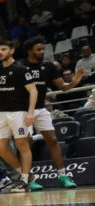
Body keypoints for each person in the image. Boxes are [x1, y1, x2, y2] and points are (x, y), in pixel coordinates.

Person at [24, 37, 85, 189]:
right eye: (39, 49)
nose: (42, 51)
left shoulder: (48, 66)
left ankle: (62, 176)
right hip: (22, 111)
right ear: (29, 51)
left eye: (43, 49)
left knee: (53, 140)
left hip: (41, 109)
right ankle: (28, 180)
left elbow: (63, 87)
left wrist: (75, 81)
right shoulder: (20, 66)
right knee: (26, 145)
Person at [0, 39, 36, 193]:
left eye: (3, 49)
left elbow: (33, 91)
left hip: (19, 112)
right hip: (3, 113)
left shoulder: (21, 68)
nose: (0, 52)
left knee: (21, 145)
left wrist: (30, 112)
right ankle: (25, 174)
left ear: (11, 51)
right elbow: (0, 89)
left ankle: (23, 181)